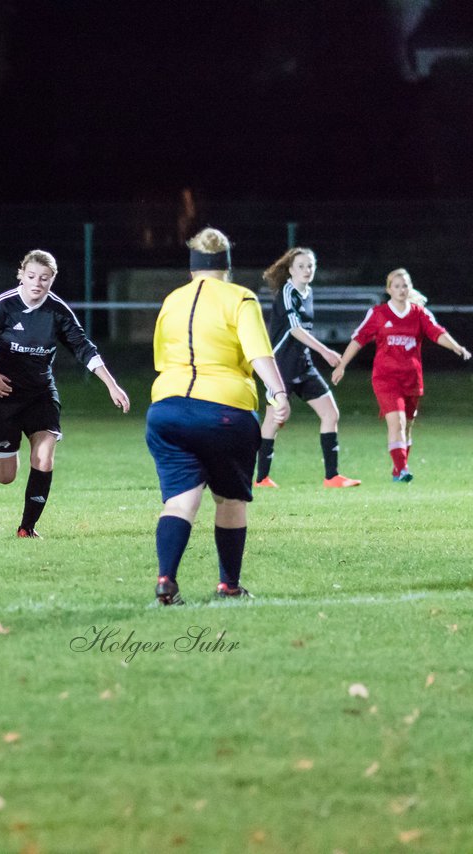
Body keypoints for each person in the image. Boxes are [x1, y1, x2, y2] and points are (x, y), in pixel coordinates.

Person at [146, 228, 291, 605]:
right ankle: (228, 584)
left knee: (179, 502)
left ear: (193, 267)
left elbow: (161, 355)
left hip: (168, 409)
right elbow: (259, 352)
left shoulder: (172, 300)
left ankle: (166, 580)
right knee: (229, 501)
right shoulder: (240, 298)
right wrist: (278, 392)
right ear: (226, 266)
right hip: (225, 411)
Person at [0, 249, 130, 538]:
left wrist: (111, 384)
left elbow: (83, 347)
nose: (37, 283)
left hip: (40, 392)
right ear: (21, 276)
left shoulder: (57, 310)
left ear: (52, 279)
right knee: (6, 477)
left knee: (44, 456)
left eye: (44, 278)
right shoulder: (3, 305)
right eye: (31, 277)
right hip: (2, 394)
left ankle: (27, 527)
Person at [330, 268, 471, 482]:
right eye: (396, 286)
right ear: (388, 290)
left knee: (407, 427)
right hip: (385, 378)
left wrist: (455, 347)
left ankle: (398, 469)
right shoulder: (378, 313)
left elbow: (436, 332)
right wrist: (342, 365)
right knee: (397, 422)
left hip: (412, 378)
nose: (401, 289)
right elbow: (359, 338)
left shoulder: (419, 313)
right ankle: (403, 468)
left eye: (405, 285)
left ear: (410, 287)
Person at [254, 247, 360, 488]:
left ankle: (332, 477)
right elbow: (294, 329)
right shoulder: (286, 292)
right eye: (301, 266)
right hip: (281, 366)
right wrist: (325, 350)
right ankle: (261, 479)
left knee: (330, 414)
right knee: (276, 419)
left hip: (303, 364)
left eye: (310, 266)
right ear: (290, 269)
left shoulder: (308, 292)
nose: (306, 270)